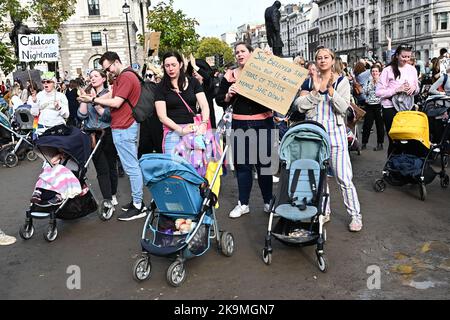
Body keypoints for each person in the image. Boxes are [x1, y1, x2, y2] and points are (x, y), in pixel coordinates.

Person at [293, 47, 363, 232]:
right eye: (319, 58)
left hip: (336, 136)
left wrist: (331, 92)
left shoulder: (342, 82)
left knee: (344, 178)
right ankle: (324, 211)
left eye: (326, 57)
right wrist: (315, 93)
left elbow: (343, 108)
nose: (322, 60)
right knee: (320, 178)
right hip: (314, 136)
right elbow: (299, 106)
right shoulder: (309, 82)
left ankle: (355, 215)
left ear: (332, 60)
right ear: (315, 61)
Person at [77, 51, 146, 222]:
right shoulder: (123, 77)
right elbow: (112, 95)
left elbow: (116, 102)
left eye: (108, 69)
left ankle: (138, 205)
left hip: (124, 126)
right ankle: (136, 202)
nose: (108, 73)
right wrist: (92, 98)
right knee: (130, 167)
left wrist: (93, 101)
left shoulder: (126, 77)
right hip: (122, 126)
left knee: (131, 168)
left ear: (116, 62)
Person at [216, 42, 274, 218]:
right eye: (237, 52)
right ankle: (243, 203)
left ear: (251, 53)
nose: (240, 54)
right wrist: (228, 95)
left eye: (243, 51)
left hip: (263, 123)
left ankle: (268, 201)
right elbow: (219, 99)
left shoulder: (263, 72)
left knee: (264, 166)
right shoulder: (229, 76)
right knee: (243, 166)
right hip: (240, 124)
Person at [77, 69, 119, 210]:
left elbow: (107, 116)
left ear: (103, 78)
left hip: (107, 133)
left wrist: (94, 102)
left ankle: (113, 194)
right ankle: (107, 200)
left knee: (111, 166)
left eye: (96, 76)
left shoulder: (110, 93)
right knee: (101, 169)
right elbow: (81, 116)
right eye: (91, 76)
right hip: (92, 135)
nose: (93, 78)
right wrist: (84, 99)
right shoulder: (88, 94)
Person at [154, 51, 210, 155]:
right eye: (167, 66)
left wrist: (204, 123)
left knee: (194, 167)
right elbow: (162, 116)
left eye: (173, 65)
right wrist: (180, 130)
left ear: (180, 64)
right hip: (172, 132)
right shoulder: (160, 87)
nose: (170, 69)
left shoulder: (193, 82)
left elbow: (204, 105)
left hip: (194, 130)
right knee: (174, 168)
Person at [376, 44, 419, 156]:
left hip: (407, 108)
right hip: (390, 107)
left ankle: (404, 164)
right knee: (394, 140)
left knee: (407, 138)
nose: (406, 60)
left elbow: (417, 88)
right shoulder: (387, 70)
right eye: (403, 56)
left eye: (408, 57)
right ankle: (392, 166)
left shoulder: (412, 69)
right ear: (397, 56)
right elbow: (379, 92)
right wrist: (396, 90)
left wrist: (414, 88)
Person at [187, 55, 217, 128]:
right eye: (192, 70)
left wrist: (194, 66)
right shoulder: (190, 86)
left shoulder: (207, 85)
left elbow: (208, 78)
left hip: (207, 121)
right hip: (193, 123)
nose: (194, 72)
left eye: (196, 70)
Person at [362, 64, 385, 151]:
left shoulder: (382, 82)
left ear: (379, 72)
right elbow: (364, 91)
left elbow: (383, 92)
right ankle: (364, 143)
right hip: (369, 105)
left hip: (379, 105)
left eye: (376, 71)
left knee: (379, 125)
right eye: (373, 71)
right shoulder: (368, 81)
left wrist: (377, 83)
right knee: (367, 125)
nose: (374, 73)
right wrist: (371, 84)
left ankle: (380, 144)